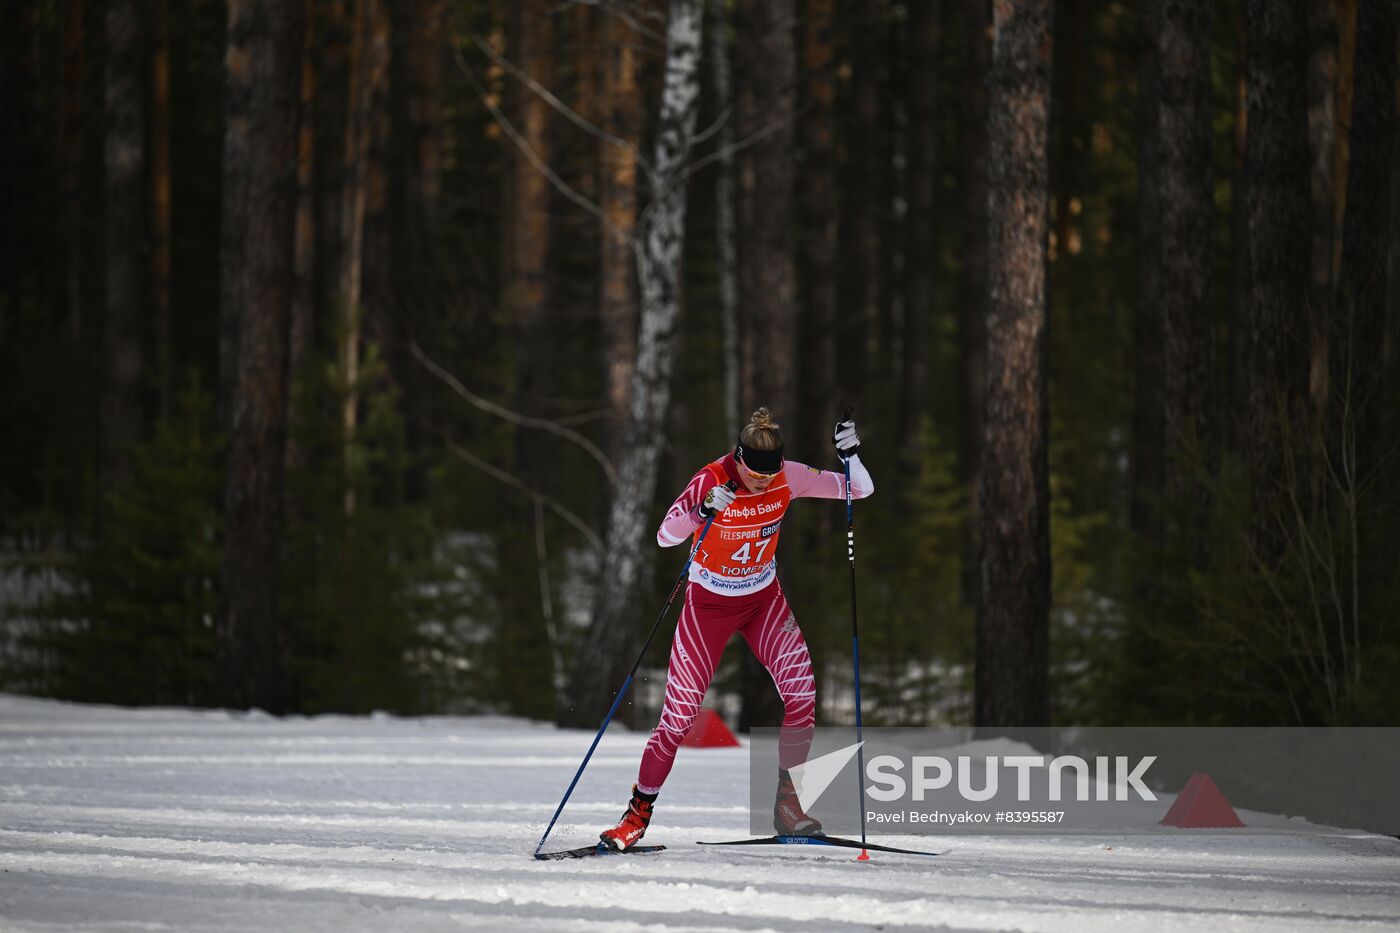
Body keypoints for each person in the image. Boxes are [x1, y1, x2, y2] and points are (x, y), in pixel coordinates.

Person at [599, 407, 873, 850]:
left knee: (802, 694)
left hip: (763, 600)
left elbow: (857, 490)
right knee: (679, 718)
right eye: (754, 475)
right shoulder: (712, 478)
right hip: (707, 605)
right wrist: (702, 509)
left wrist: (851, 456)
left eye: (771, 476)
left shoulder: (789, 475)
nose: (763, 482)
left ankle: (788, 805)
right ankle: (636, 817)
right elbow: (665, 535)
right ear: (739, 460)